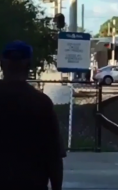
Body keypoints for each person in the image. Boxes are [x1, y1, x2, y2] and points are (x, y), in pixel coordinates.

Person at [0, 41, 66, 190]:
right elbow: (54, 155)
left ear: (2, 64)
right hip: (31, 183)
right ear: (29, 66)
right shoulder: (41, 103)